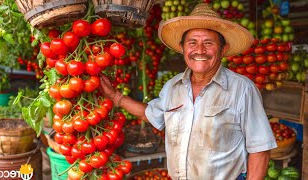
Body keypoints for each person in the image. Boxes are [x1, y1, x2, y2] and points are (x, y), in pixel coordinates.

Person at [99, 3, 277, 180]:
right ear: (183, 48)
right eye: (192, 43)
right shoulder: (172, 86)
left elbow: (260, 149)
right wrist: (115, 97)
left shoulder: (242, 89)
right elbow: (152, 114)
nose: (199, 50)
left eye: (208, 43)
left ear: (223, 50)